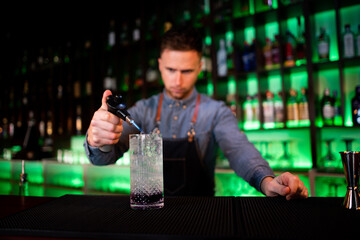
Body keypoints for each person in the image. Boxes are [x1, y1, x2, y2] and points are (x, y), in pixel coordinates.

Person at [84, 25, 309, 200]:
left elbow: (240, 150)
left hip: (202, 217)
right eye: (171, 70)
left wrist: (267, 181)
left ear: (200, 68)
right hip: (152, 218)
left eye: (187, 71)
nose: (178, 80)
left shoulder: (215, 112)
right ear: (160, 65)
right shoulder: (143, 111)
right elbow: (104, 158)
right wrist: (99, 140)